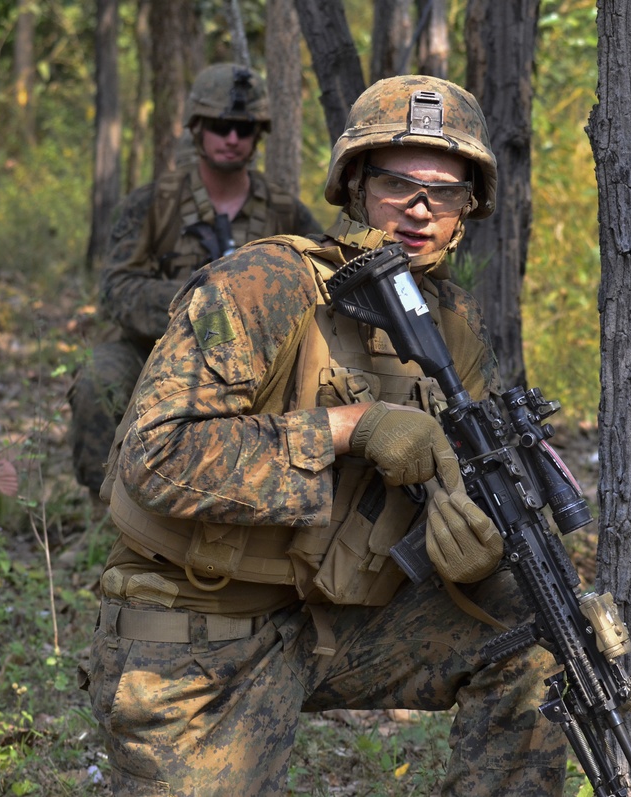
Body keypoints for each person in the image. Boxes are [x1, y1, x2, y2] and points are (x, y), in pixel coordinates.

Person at [83, 75, 568, 796]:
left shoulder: (454, 329)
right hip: (198, 636)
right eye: (399, 181)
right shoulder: (266, 283)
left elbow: (456, 489)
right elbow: (154, 458)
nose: (420, 207)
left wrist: (468, 541)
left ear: (470, 209)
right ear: (354, 185)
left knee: (541, 619)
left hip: (339, 625)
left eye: (447, 191)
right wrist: (349, 427)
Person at [68, 62, 321, 496]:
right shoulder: (151, 204)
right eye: (221, 126)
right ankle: (104, 508)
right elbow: (116, 290)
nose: (232, 138)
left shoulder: (286, 213)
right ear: (197, 129)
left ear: (258, 135)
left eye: (244, 129)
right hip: (150, 349)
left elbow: (315, 289)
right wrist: (199, 303)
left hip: (251, 364)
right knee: (98, 381)